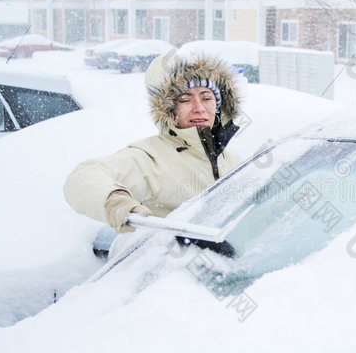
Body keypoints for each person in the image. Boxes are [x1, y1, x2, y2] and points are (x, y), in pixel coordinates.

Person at [63, 53, 242, 242]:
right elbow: (83, 177)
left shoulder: (230, 158)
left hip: (233, 265)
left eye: (206, 98)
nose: (199, 108)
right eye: (185, 99)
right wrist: (114, 201)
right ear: (168, 108)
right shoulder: (150, 158)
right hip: (174, 267)